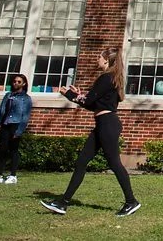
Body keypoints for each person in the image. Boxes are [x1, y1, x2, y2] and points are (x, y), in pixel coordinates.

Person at [40, 48, 140, 217]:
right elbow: (93, 105)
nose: (97, 59)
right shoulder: (111, 79)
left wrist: (69, 94)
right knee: (81, 162)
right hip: (103, 124)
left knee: (115, 163)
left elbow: (88, 101)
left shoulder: (106, 78)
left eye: (100, 56)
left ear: (107, 60)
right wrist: (77, 96)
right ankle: (63, 203)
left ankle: (131, 202)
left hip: (107, 125)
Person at [0, 73, 33, 184]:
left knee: (13, 150)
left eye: (19, 82)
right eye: (14, 81)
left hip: (16, 125)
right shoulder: (8, 95)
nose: (16, 83)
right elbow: (1, 111)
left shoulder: (26, 98)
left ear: (24, 84)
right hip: (5, 124)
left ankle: (13, 175)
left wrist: (19, 131)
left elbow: (25, 116)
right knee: (3, 149)